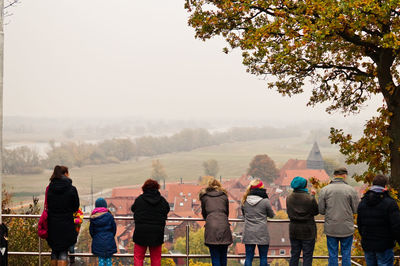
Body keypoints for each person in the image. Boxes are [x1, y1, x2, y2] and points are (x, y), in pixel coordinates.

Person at [318, 167, 359, 266]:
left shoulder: (324, 190)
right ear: (344, 175)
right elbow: (356, 210)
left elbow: (321, 211)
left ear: (334, 175)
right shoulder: (351, 190)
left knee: (332, 255)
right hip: (346, 228)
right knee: (346, 255)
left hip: (331, 227)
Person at [357, 174, 400, 266]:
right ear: (385, 186)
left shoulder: (363, 202)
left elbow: (359, 225)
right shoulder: (390, 203)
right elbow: (396, 226)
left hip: (368, 244)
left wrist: (365, 238)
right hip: (384, 245)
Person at [131, 179, 170, 266]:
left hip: (141, 232)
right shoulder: (162, 201)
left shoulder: (139, 200)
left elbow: (133, 209)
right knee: (156, 259)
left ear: (144, 188)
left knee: (138, 258)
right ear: (157, 188)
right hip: (156, 233)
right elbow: (167, 209)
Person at [46, 165, 80, 266]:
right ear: (65, 174)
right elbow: (75, 207)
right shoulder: (71, 189)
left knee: (55, 250)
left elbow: (48, 204)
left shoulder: (50, 188)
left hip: (53, 224)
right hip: (66, 223)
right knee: (63, 251)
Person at [241, 179, 274, 266]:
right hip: (262, 232)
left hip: (249, 232)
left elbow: (244, 214)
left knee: (248, 257)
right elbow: (271, 215)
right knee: (263, 257)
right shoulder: (265, 201)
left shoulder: (244, 200)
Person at [200, 178, 232, 266]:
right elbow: (227, 212)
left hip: (211, 227)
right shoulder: (224, 196)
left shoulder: (205, 197)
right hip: (224, 226)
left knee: (215, 257)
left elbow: (204, 213)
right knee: (223, 256)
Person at [286, 176, 319, 266]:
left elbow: (289, 213)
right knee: (307, 256)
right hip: (308, 230)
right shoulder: (309, 198)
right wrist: (313, 195)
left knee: (294, 255)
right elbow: (316, 211)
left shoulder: (289, 198)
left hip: (294, 230)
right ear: (303, 186)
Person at [90, 198, 117, 266]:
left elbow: (91, 231)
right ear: (105, 206)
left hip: (98, 241)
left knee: (101, 260)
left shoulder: (93, 217)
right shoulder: (110, 216)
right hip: (109, 241)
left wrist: (96, 237)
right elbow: (114, 229)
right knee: (109, 260)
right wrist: (110, 236)